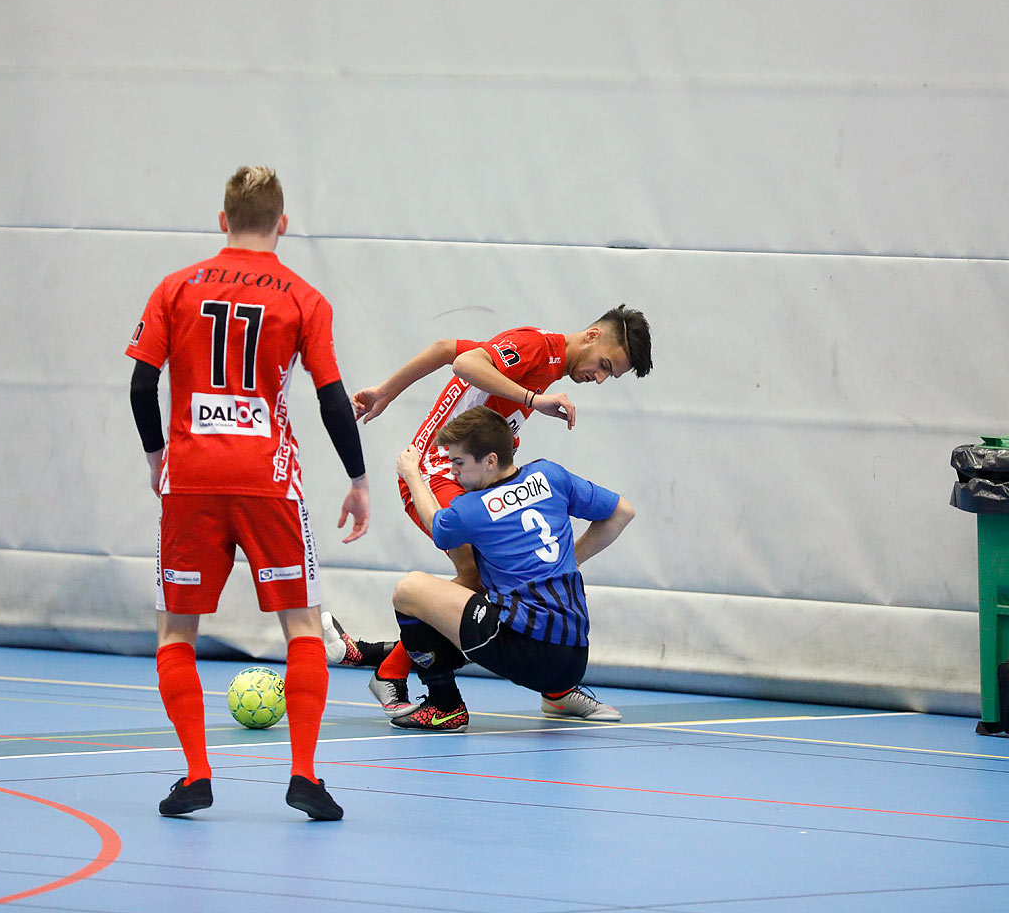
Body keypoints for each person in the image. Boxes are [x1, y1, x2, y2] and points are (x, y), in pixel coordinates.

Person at [126, 165, 370, 817]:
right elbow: (331, 397)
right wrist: (358, 478)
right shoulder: (303, 298)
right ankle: (305, 776)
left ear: (223, 221)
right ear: (282, 224)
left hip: (193, 478)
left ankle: (198, 775)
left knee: (177, 632)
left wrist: (158, 458)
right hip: (268, 479)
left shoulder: (175, 288)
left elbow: (140, 385)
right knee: (302, 628)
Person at [346, 305, 652, 726]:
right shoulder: (536, 347)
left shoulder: (548, 364)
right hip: (439, 470)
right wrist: (533, 400)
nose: (598, 378)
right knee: (476, 575)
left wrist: (385, 391)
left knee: (507, 574)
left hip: (470, 474)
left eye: (608, 376)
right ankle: (391, 669)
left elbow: (442, 348)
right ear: (594, 335)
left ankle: (552, 689)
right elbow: (465, 362)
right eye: (604, 366)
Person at [386, 406, 634, 731]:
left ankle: (445, 705)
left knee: (410, 590)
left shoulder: (471, 509)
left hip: (527, 655)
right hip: (575, 659)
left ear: (490, 460)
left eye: (458, 463)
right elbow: (622, 512)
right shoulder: (550, 475)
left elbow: (436, 525)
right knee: (477, 596)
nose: (452, 473)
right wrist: (569, 562)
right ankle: (559, 697)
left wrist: (412, 474)